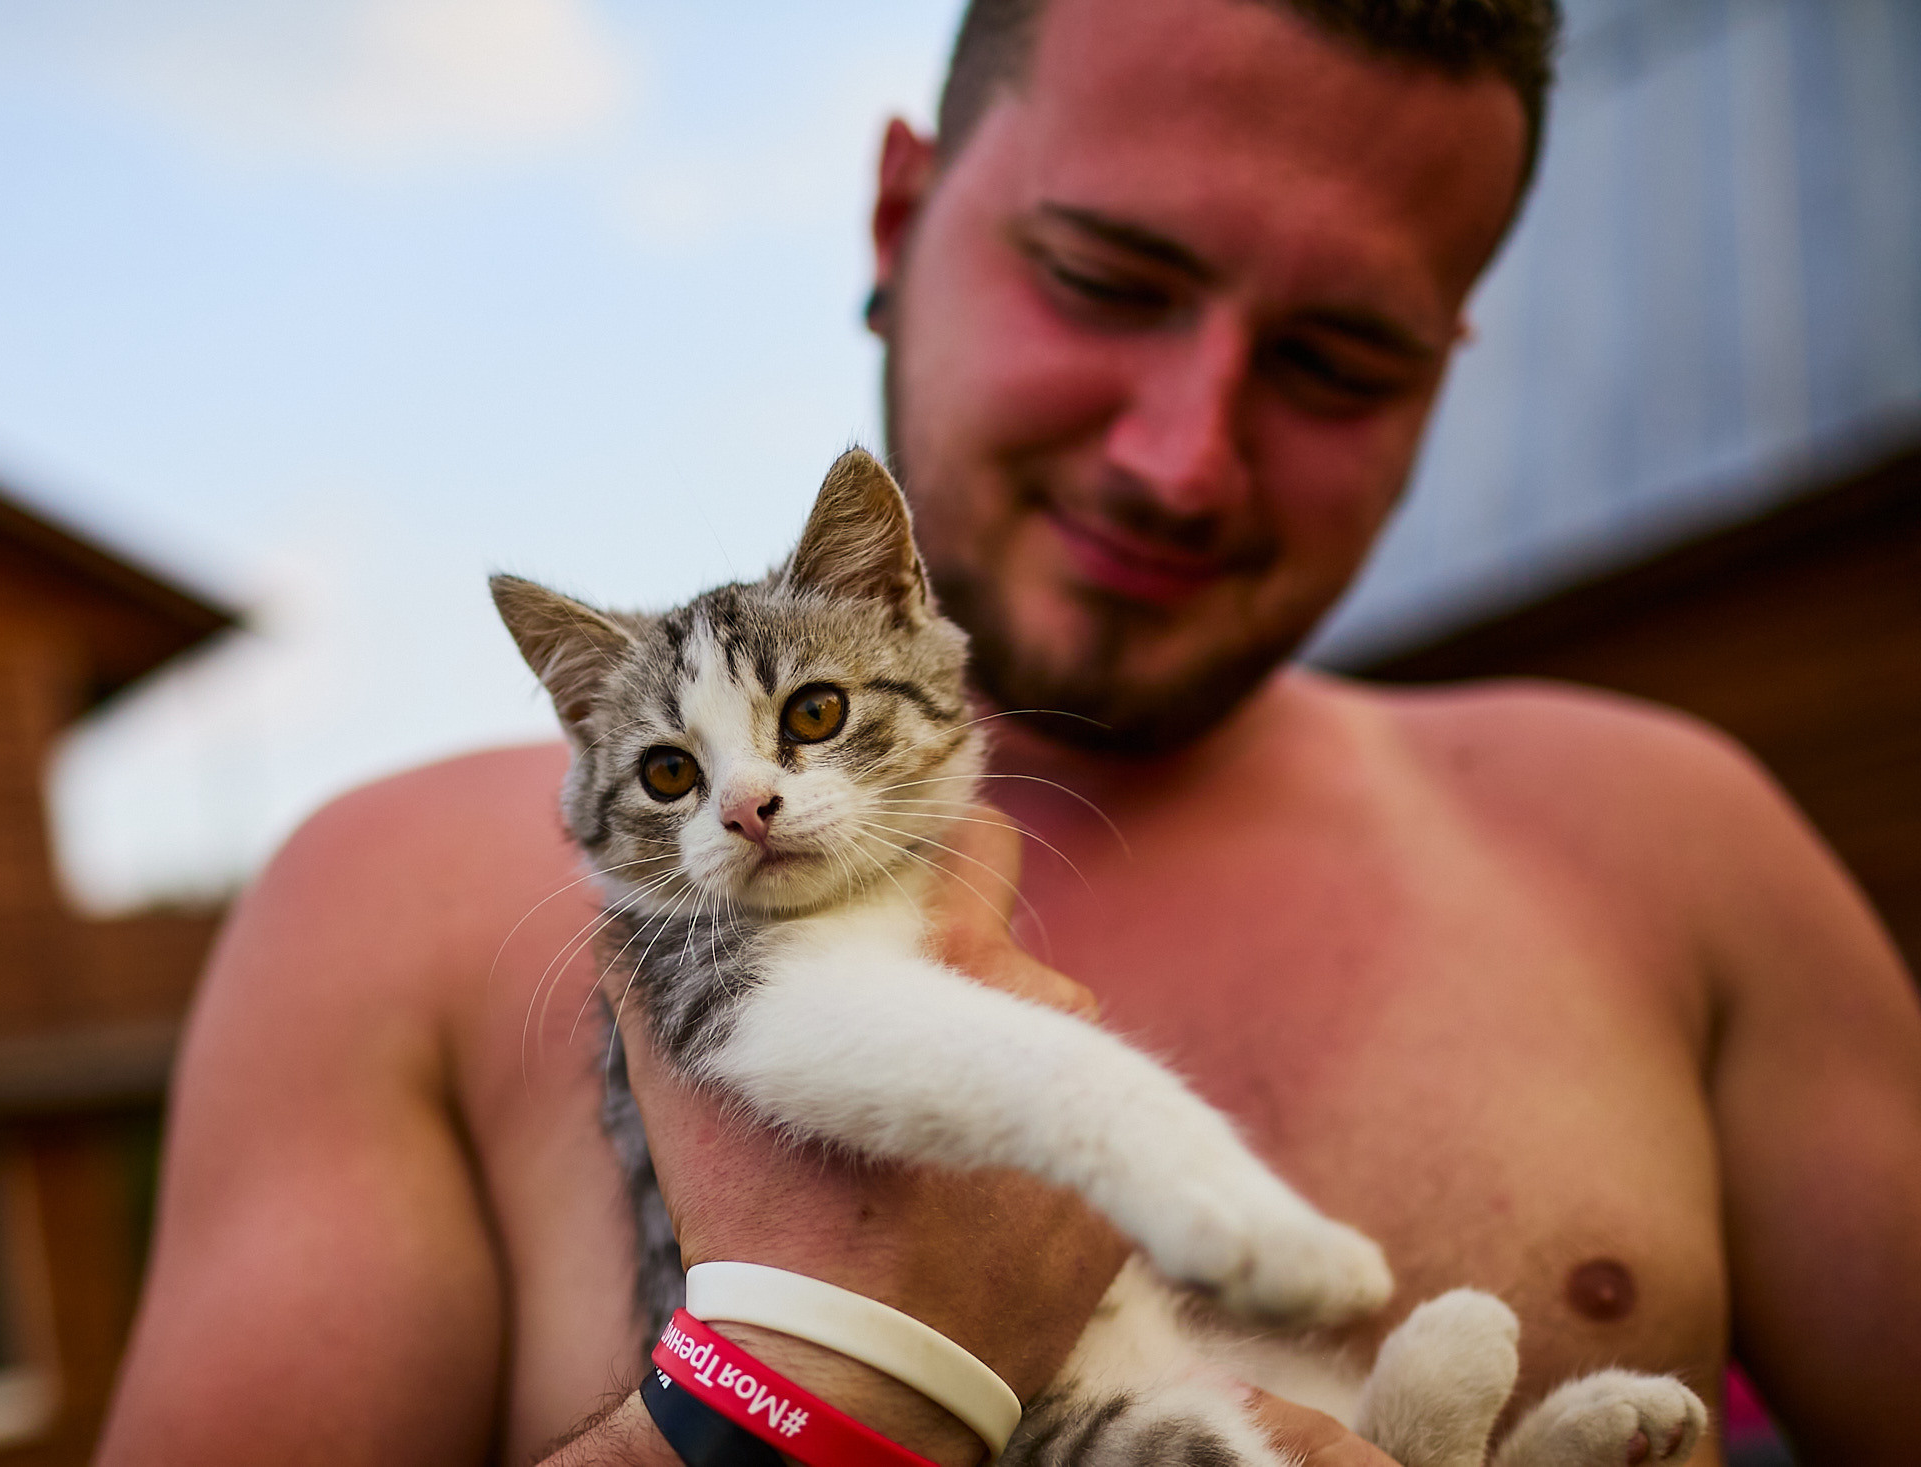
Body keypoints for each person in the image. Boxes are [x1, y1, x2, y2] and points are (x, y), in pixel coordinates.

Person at [95, 0, 1921, 1463]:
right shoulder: (381, 916)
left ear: (1450, 362)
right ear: (900, 215)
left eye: (1335, 360)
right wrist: (796, 1413)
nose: (1180, 455)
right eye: (1107, 279)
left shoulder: (1677, 844)